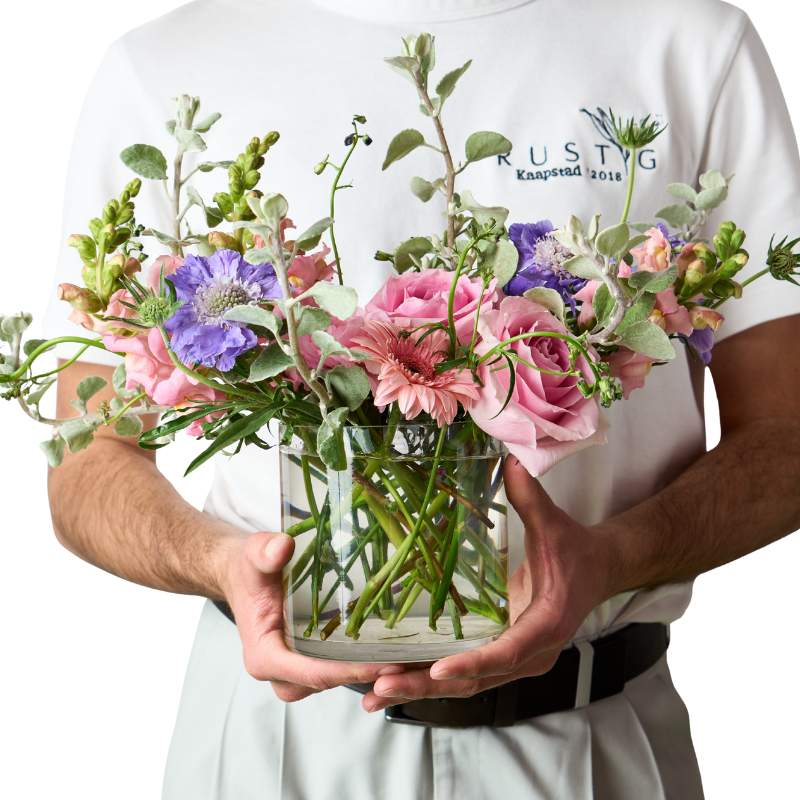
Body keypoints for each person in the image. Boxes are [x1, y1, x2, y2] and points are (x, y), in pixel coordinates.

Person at [45, 0, 800, 797]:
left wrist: (611, 558)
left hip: (589, 730)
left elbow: (785, 431)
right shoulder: (164, 65)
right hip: (284, 742)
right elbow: (87, 457)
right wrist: (220, 562)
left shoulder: (688, 41)